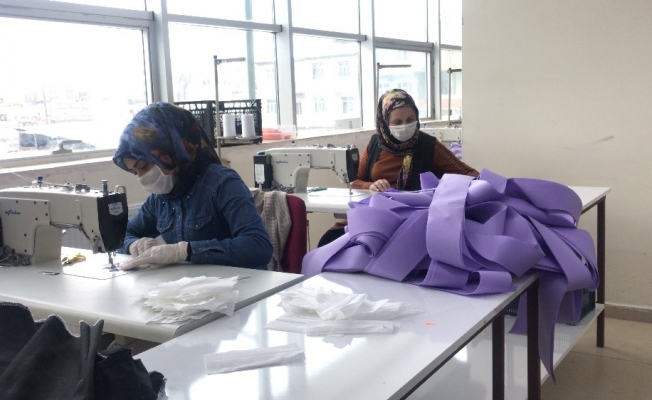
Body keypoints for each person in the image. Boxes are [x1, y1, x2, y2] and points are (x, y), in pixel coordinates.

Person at [113, 102, 273, 270]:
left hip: (242, 281)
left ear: (171, 151)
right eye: (135, 172)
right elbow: (123, 235)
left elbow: (259, 246)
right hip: (195, 282)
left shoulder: (222, 183)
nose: (141, 178)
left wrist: (186, 251)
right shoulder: (160, 198)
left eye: (144, 166)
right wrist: (133, 245)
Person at [318, 89, 479, 247]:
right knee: (328, 241)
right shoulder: (375, 145)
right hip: (373, 215)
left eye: (410, 120)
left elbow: (472, 175)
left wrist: (441, 193)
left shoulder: (429, 147)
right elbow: (353, 182)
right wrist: (371, 186)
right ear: (385, 122)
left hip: (411, 222)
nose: (405, 126)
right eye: (397, 122)